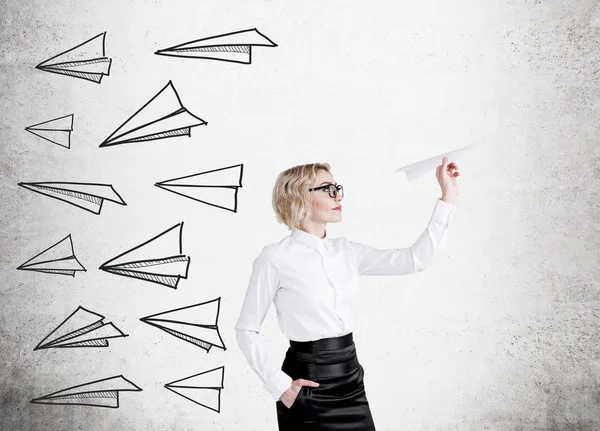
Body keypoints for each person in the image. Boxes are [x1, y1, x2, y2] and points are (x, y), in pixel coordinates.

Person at [234, 157, 460, 430]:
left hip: (351, 378)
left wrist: (448, 196)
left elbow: (416, 260)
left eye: (337, 187)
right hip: (308, 383)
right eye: (327, 188)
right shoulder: (275, 258)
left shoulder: (347, 251)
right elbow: (246, 329)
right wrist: (280, 385)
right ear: (299, 196)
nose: (337, 195)